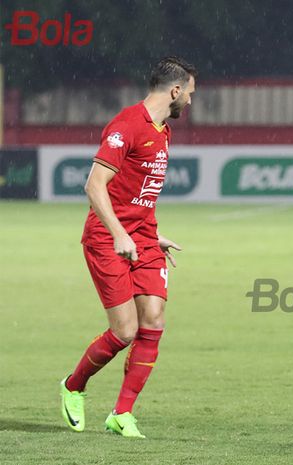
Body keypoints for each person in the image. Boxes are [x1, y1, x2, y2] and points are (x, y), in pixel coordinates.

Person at [60, 56, 197, 437]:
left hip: (144, 237)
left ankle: (122, 414)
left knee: (153, 321)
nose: (190, 100)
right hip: (108, 238)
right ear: (174, 90)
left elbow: (136, 195)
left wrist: (152, 236)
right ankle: (73, 387)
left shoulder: (163, 130)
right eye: (189, 93)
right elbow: (94, 185)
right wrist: (121, 234)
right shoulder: (126, 126)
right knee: (124, 332)